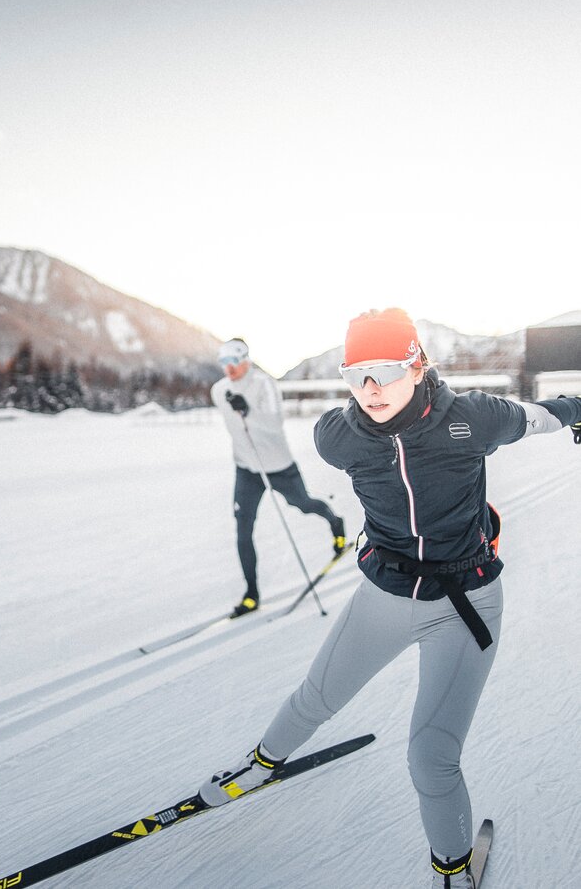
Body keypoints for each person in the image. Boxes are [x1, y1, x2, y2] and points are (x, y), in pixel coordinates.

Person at [198, 309, 581, 888]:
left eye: (384, 371)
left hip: (465, 605)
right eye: (357, 375)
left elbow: (539, 416)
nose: (370, 389)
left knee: (430, 757)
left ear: (417, 364)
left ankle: (451, 871)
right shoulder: (337, 435)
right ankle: (257, 768)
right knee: (314, 697)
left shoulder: (472, 418)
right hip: (385, 592)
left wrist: (577, 411)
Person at [211, 338, 346, 616]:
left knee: (303, 505)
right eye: (224, 363)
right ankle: (251, 594)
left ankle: (335, 522)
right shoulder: (219, 390)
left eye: (233, 362)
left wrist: (248, 409)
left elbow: (274, 423)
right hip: (247, 469)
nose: (229, 369)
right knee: (243, 527)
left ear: (245, 359)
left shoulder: (264, 384)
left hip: (279, 466)